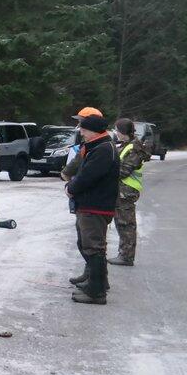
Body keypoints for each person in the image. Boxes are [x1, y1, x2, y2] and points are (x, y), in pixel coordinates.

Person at [66, 111, 120, 304]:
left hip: (95, 205)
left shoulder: (103, 149)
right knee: (89, 245)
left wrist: (71, 188)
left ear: (95, 131)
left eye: (84, 129)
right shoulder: (99, 146)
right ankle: (97, 283)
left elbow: (88, 176)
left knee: (93, 247)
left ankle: (96, 292)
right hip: (92, 204)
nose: (81, 132)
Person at [110, 117, 150, 267]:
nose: (115, 133)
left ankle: (126, 257)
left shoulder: (134, 148)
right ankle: (124, 254)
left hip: (126, 191)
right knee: (122, 223)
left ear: (122, 131)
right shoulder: (127, 145)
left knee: (126, 224)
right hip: (122, 190)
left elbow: (123, 171)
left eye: (116, 130)